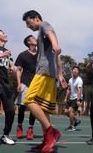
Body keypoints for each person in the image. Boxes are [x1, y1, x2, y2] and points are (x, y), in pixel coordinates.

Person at [22, 10, 67, 153]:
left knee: (29, 100)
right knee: (44, 107)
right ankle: (47, 141)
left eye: (30, 24)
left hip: (43, 71)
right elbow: (57, 58)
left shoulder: (44, 26)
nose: (30, 27)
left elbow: (51, 34)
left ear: (36, 19)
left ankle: (51, 132)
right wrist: (59, 74)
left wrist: (55, 44)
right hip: (51, 73)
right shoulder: (40, 34)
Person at [15, 35, 37, 140]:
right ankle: (19, 127)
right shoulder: (22, 55)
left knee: (34, 109)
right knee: (22, 107)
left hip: (37, 84)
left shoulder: (40, 54)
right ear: (28, 42)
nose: (36, 38)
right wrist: (19, 83)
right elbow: (18, 70)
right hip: (25, 83)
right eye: (33, 38)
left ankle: (30, 129)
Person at [64, 66, 83, 131]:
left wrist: (78, 100)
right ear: (72, 71)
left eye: (76, 70)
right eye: (74, 69)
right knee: (66, 112)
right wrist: (66, 98)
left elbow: (79, 90)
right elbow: (68, 89)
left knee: (70, 111)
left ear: (78, 73)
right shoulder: (70, 80)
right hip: (71, 98)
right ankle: (76, 120)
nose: (75, 71)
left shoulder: (79, 80)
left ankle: (71, 126)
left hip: (76, 98)